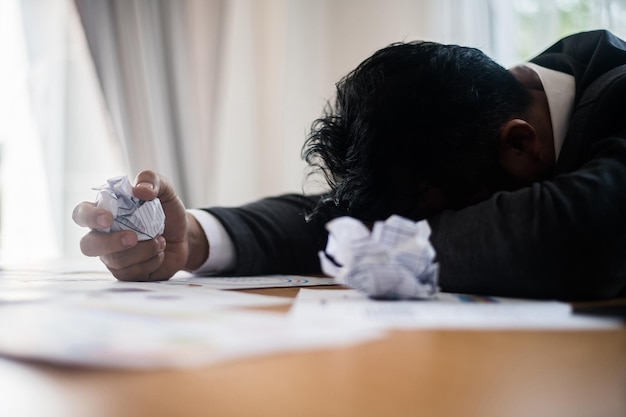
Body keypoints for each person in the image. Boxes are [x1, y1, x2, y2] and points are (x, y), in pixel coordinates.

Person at [73, 29, 626, 300]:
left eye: (441, 213)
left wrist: (381, 242)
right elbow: (341, 220)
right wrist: (193, 239)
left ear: (520, 144)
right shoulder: (500, 120)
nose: (411, 229)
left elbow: (579, 229)